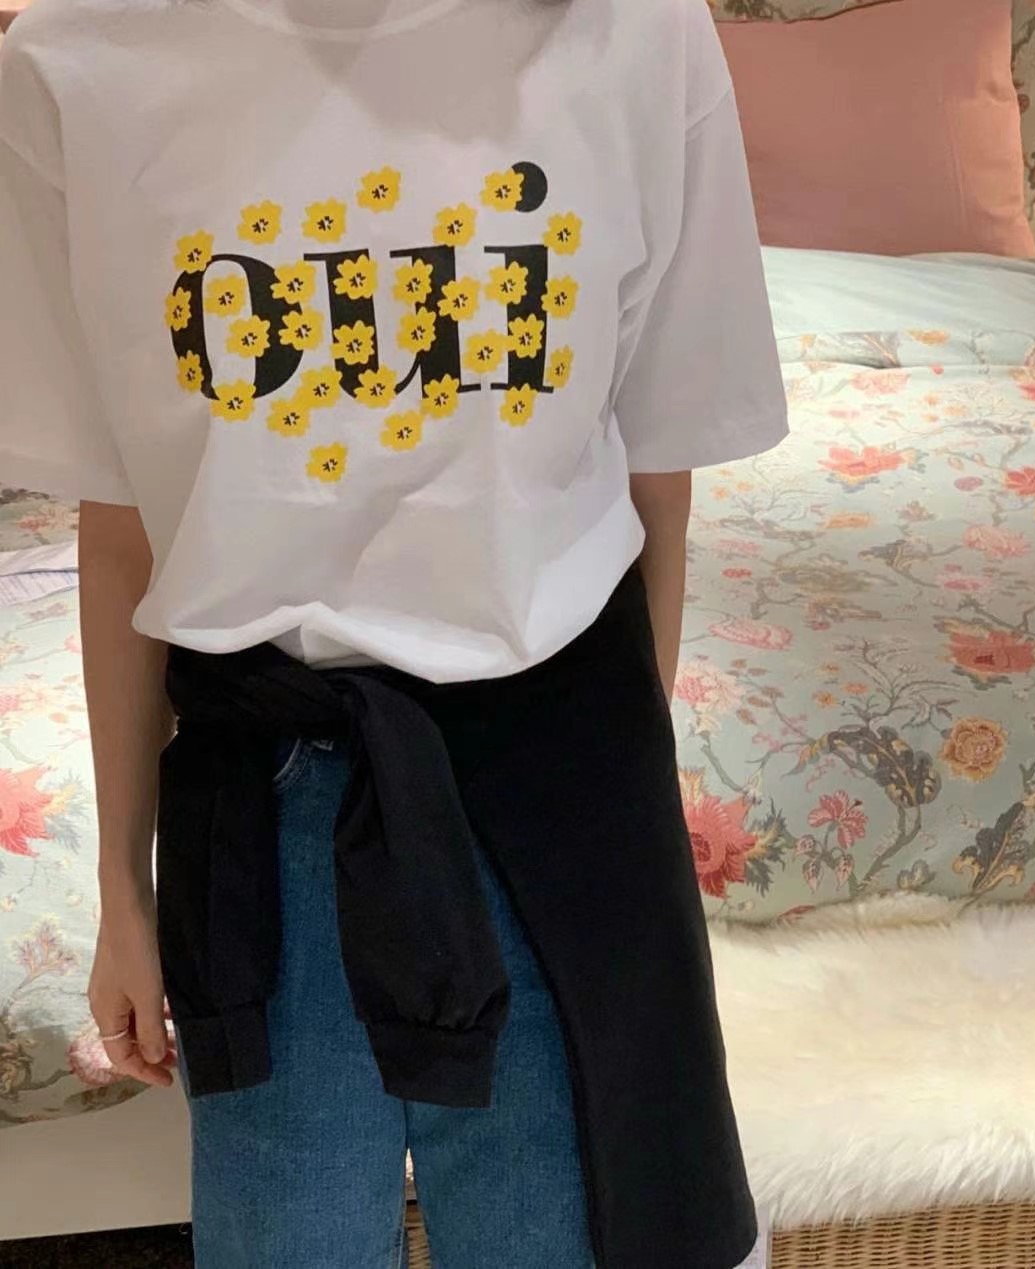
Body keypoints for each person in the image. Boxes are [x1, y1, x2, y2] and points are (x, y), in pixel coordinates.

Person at [0, 0, 787, 1264]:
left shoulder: (636, 31)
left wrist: (627, 830)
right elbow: (123, 524)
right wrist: (120, 893)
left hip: (553, 800)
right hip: (263, 822)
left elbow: (655, 483)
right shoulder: (74, 63)